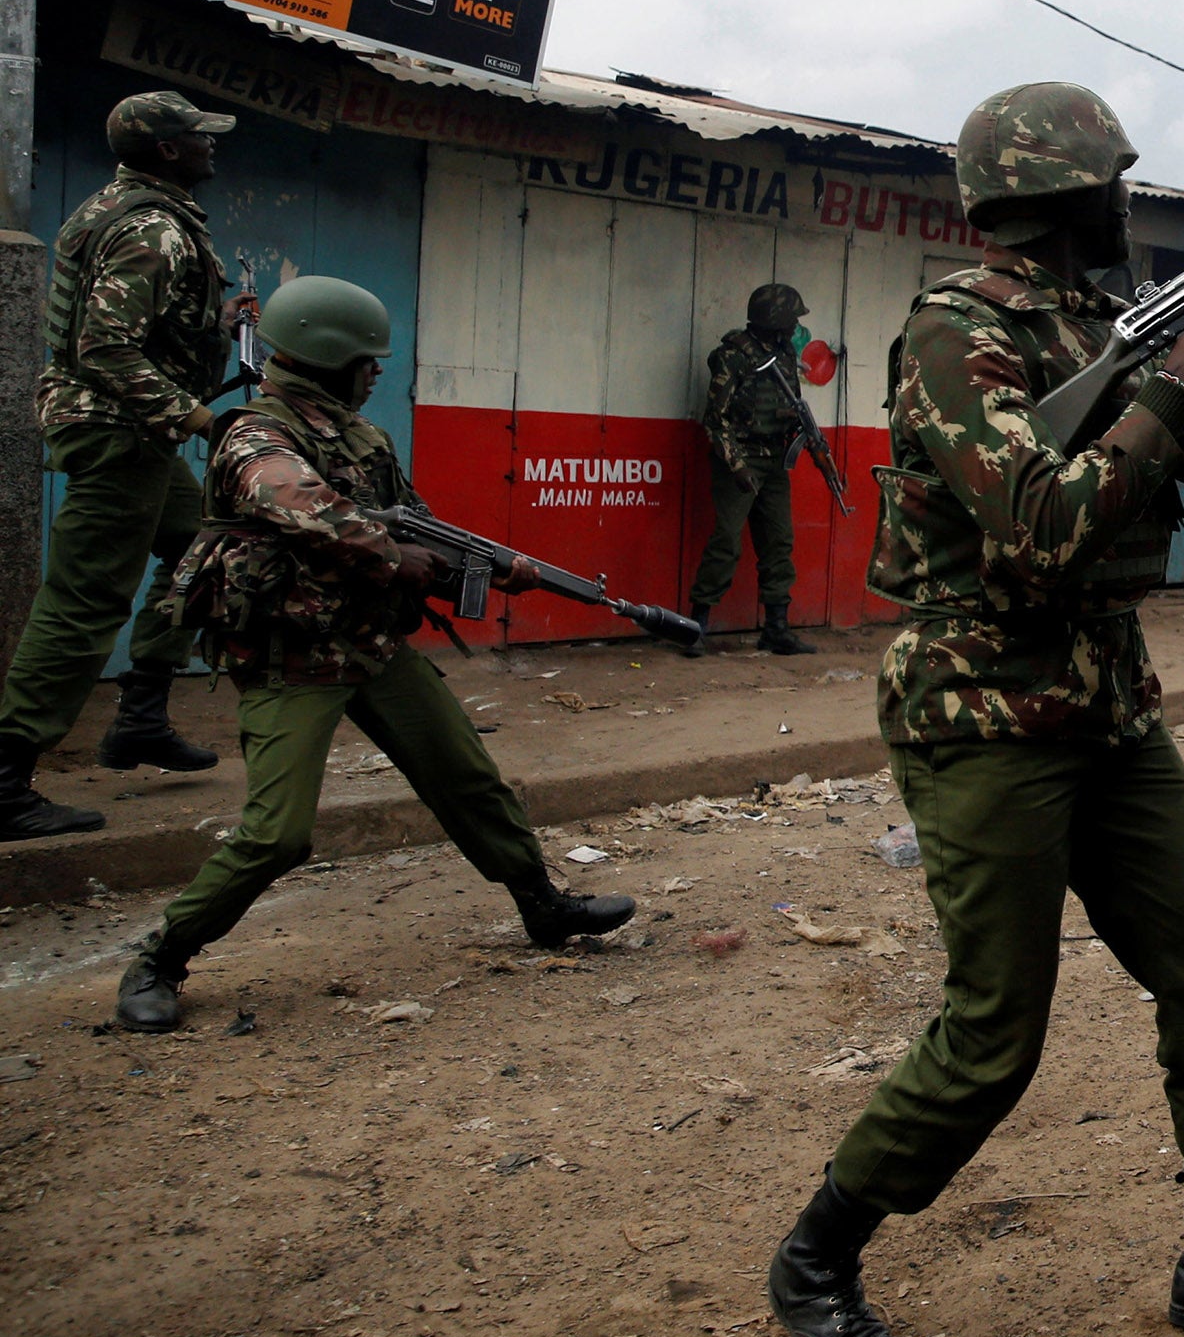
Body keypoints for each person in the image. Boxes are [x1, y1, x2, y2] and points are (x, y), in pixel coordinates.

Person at [765, 83, 1184, 1337]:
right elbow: (1035, 524)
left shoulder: (1107, 327)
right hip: (983, 711)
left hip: (1108, 707)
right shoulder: (958, 329)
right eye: (1110, 184)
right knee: (994, 1034)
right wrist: (1164, 386)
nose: (1125, 203)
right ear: (1051, 198)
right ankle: (815, 1266)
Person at [113, 276, 635, 1034]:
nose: (377, 372)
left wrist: (488, 566)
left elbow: (417, 527)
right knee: (278, 834)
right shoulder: (254, 434)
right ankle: (160, 957)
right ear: (327, 360)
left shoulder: (363, 438)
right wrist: (393, 554)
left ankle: (544, 907)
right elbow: (295, 502)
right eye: (367, 360)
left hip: (371, 646)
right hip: (292, 655)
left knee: (468, 779)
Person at [0, 90, 258, 842]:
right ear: (170, 151)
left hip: (131, 432)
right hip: (119, 434)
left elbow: (131, 324)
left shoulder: (124, 210)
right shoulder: (150, 228)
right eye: (200, 138)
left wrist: (220, 323)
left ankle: (140, 716)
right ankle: (8, 778)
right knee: (85, 599)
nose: (213, 146)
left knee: (199, 546)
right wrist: (199, 416)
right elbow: (104, 347)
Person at [684, 282, 817, 656]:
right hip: (739, 458)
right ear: (774, 319)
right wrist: (737, 465)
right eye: (790, 320)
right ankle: (696, 626)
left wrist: (796, 419)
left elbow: (789, 398)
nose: (794, 327)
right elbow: (716, 419)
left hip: (775, 459)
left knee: (778, 542)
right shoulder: (733, 356)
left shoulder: (785, 353)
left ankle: (776, 628)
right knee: (726, 541)